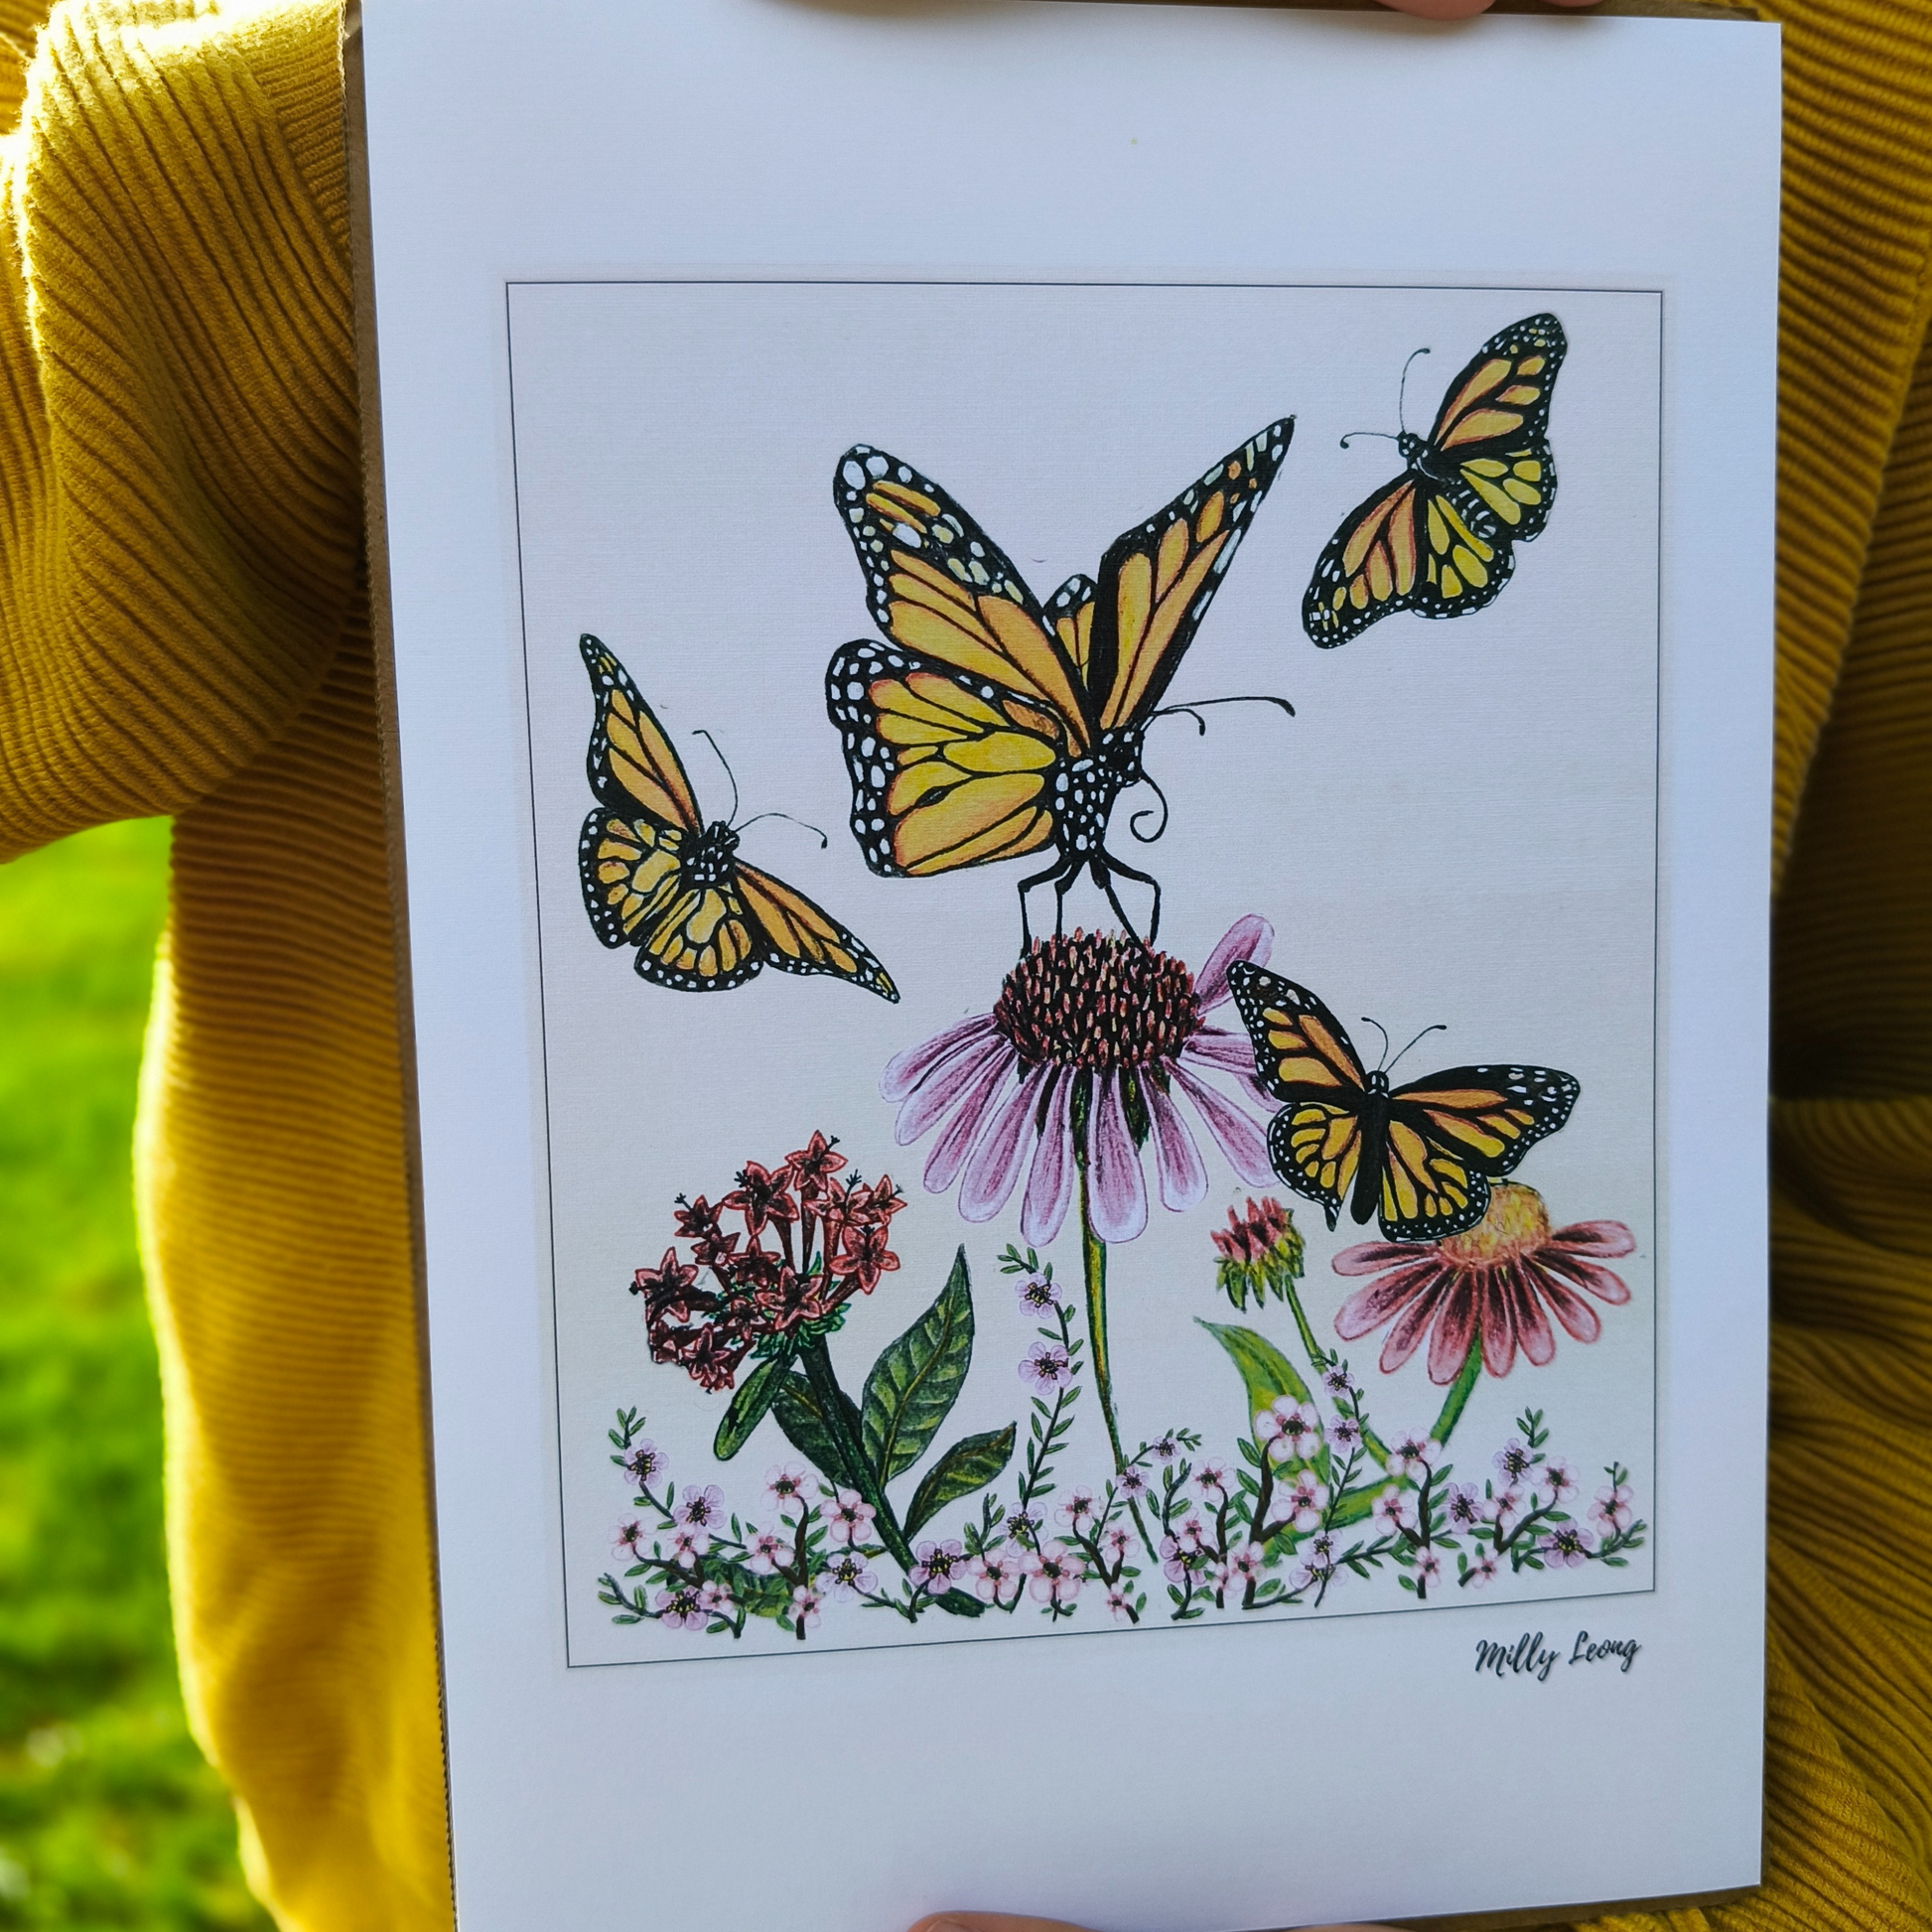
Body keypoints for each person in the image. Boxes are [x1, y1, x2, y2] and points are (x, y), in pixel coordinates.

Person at [0, 0, 1923, 1928]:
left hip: (1531, 1844)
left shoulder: (1851, 69)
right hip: (457, 1801)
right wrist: (390, 118)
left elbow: (1890, 1115)